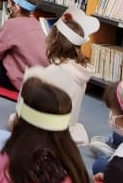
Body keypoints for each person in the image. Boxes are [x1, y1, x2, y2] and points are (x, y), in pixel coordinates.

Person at [37, 8, 99, 146]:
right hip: (70, 126)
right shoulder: (79, 70)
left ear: (54, 42)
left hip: (50, 129)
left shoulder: (54, 71)